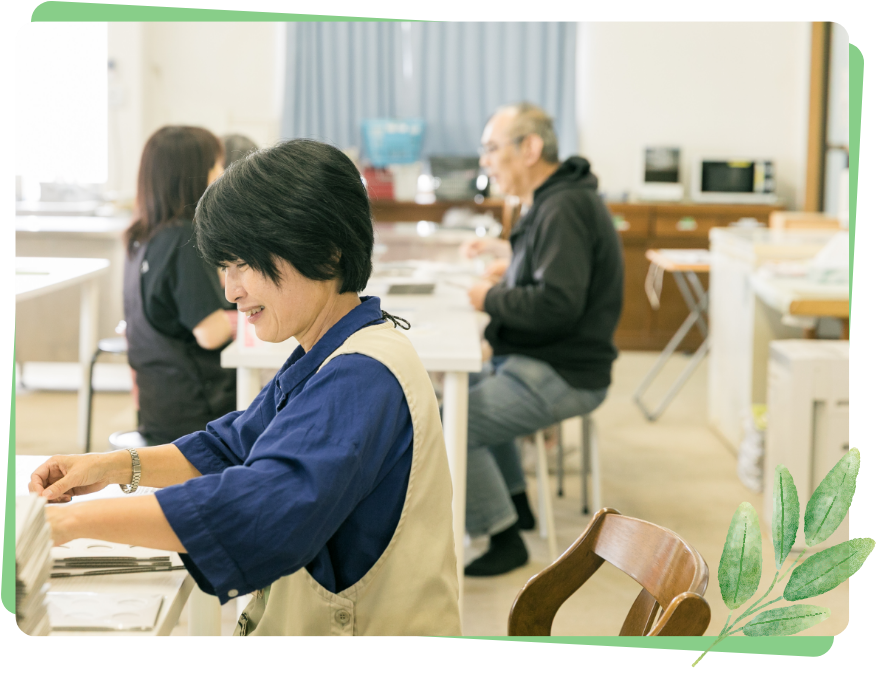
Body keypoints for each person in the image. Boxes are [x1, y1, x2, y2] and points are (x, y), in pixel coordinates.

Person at [29, 138, 462, 638]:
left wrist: (66, 525)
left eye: (245, 265)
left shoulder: (361, 376)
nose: (231, 291)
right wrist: (111, 467)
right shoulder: (332, 350)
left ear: (325, 250)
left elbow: (261, 508)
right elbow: (232, 446)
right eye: (224, 268)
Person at [458, 103, 624, 577]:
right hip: (544, 358)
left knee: (454, 422)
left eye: (492, 148)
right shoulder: (556, 199)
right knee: (464, 392)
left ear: (529, 148)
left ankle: (503, 537)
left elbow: (556, 304)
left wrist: (489, 297)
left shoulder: (562, 206)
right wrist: (511, 265)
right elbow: (552, 272)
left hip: (564, 370)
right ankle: (515, 506)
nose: (486, 161)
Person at [123, 126, 237, 446]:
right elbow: (211, 333)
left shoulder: (140, 238)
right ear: (194, 175)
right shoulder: (183, 240)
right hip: (198, 412)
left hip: (159, 406)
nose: (222, 174)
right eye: (217, 166)